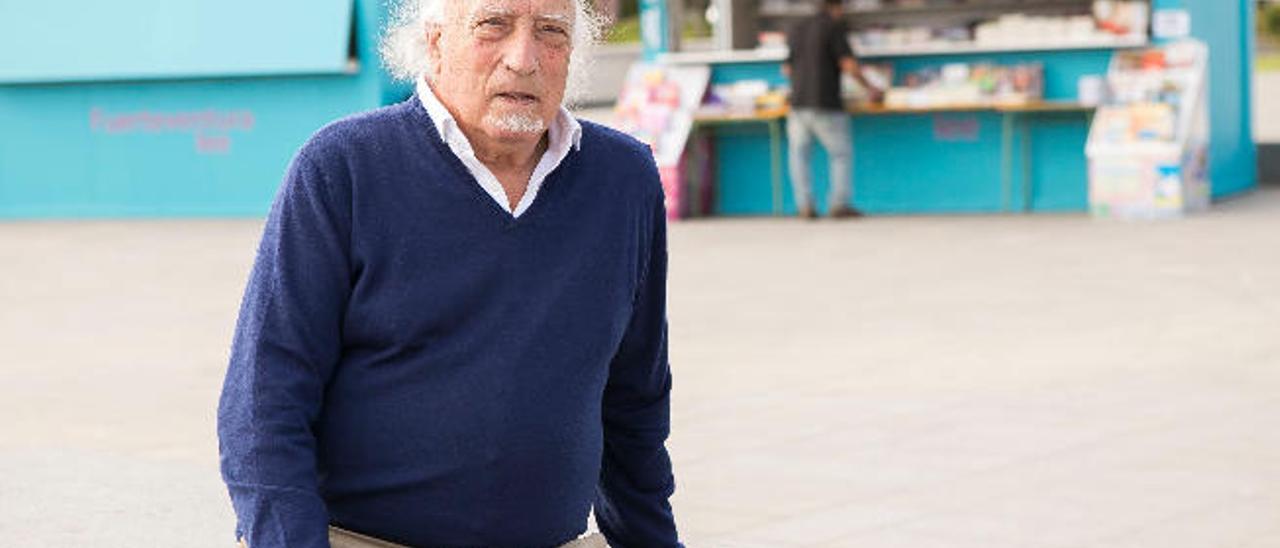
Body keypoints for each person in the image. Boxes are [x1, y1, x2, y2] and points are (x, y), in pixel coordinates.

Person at [216, 1, 682, 547]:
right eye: (494, 25)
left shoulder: (623, 179)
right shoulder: (343, 167)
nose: (524, 58)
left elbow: (635, 401)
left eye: (550, 32)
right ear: (434, 40)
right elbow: (263, 403)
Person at [781, 0, 878, 219]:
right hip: (825, 102)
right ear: (838, 7)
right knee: (840, 154)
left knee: (799, 156)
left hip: (797, 104)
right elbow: (849, 65)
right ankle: (839, 204)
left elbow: (786, 68)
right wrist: (871, 88)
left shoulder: (797, 27)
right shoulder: (834, 26)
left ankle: (805, 206)